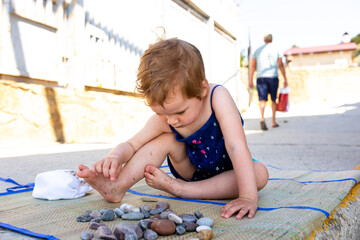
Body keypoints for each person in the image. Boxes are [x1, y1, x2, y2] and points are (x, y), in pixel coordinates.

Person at [77, 38, 269, 220]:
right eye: (162, 113)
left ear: (201, 90)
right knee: (165, 139)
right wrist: (115, 156)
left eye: (180, 112)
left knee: (259, 174)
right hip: (190, 170)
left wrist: (247, 196)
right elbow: (132, 144)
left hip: (229, 172)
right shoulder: (167, 119)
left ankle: (181, 189)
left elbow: (236, 145)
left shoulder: (217, 97)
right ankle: (117, 187)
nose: (172, 121)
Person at [249, 34, 288, 130]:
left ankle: (262, 118)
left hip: (261, 77)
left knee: (262, 100)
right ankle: (273, 122)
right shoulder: (277, 50)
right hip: (273, 77)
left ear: (264, 40)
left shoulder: (258, 51)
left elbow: (253, 65)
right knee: (273, 100)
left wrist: (250, 79)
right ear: (272, 39)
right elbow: (280, 64)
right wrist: (285, 78)